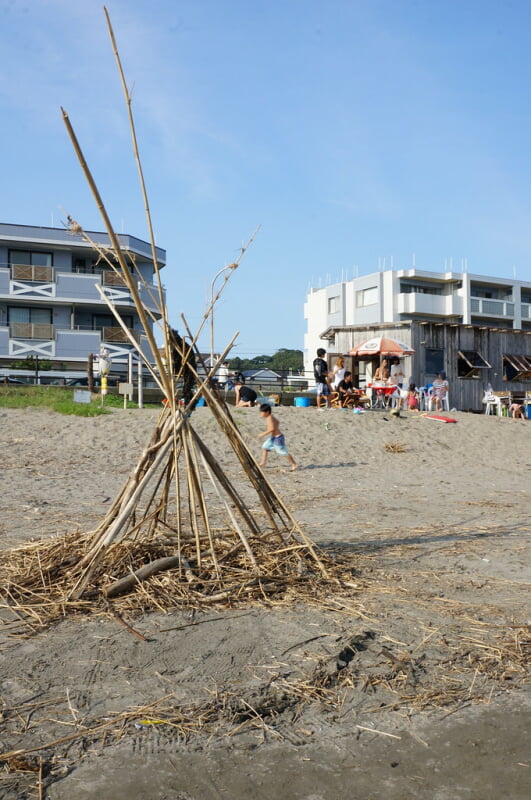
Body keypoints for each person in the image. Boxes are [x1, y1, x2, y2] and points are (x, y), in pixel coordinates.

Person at [257, 404, 297, 470]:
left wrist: (262, 434)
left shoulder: (269, 418)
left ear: (267, 412)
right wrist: (275, 428)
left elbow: (272, 429)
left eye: (262, 412)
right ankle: (263, 463)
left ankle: (294, 464)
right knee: (265, 447)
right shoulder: (271, 417)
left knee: (282, 452)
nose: (261, 414)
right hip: (273, 438)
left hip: (278, 438)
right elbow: (278, 422)